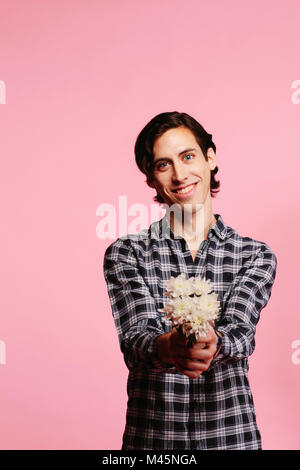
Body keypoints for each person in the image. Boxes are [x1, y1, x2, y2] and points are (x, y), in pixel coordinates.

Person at [103, 111, 277, 450]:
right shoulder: (127, 253)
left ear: (210, 158)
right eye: (163, 164)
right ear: (151, 179)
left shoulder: (255, 255)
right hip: (153, 443)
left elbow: (241, 333)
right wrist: (169, 346)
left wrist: (214, 342)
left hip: (231, 439)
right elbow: (136, 341)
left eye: (187, 156)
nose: (180, 174)